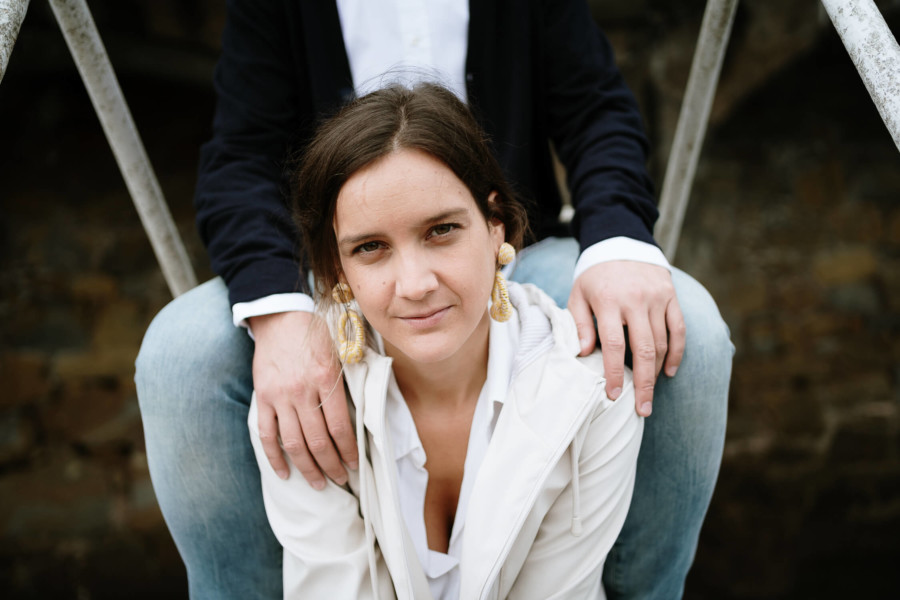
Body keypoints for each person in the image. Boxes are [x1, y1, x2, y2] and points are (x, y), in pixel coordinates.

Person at [135, 1, 733, 598]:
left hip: (514, 247)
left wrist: (619, 243)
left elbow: (596, 109)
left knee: (689, 330)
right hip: (346, 264)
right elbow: (240, 157)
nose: (418, 283)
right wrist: (279, 310)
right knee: (182, 356)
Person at [250, 81, 644, 600]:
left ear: (495, 226)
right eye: (371, 247)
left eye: (441, 231)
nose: (415, 284)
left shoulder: (593, 389)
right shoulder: (300, 402)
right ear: (335, 268)